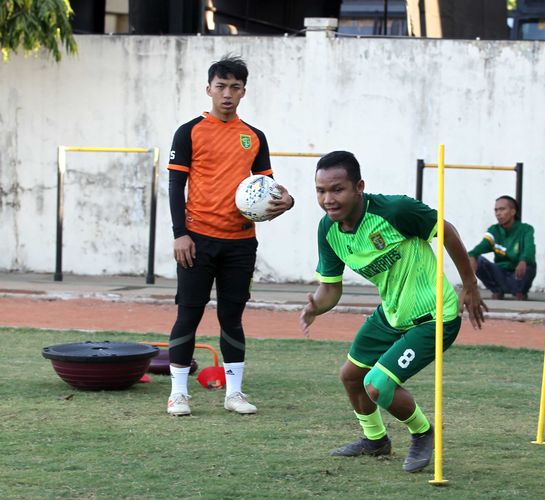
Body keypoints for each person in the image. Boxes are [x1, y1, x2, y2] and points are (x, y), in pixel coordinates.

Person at [299, 151, 487, 473]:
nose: (328, 199)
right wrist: (316, 306)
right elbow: (331, 288)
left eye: (337, 189)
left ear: (359, 186)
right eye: (320, 191)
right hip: (392, 314)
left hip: (434, 316)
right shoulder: (328, 231)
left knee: (378, 385)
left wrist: (469, 283)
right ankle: (375, 441)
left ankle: (423, 432)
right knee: (351, 376)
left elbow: (446, 230)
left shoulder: (395, 210)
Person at [166, 56, 294, 416]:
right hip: (197, 240)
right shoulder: (189, 131)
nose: (227, 94)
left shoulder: (254, 137)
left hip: (240, 242)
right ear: (208, 90)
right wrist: (181, 234)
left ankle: (234, 394)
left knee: (232, 317)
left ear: (243, 92)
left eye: (234, 87)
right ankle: (179, 394)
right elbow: (176, 185)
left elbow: (269, 187)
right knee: (188, 315)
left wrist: (288, 200)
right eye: (220, 86)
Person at [468, 195, 536, 301]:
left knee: (529, 266)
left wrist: (523, 260)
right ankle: (497, 290)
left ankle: (520, 292)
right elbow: (481, 247)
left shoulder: (526, 229)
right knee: (478, 260)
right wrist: (472, 255)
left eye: (502, 209)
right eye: (496, 210)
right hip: (500, 274)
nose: (498, 213)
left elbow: (529, 249)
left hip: (518, 274)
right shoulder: (493, 230)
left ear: (513, 212)